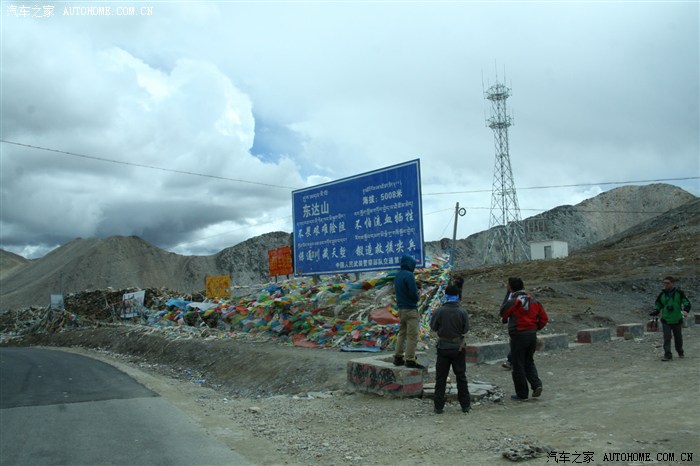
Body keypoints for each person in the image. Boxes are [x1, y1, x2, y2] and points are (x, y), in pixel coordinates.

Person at [499, 277, 548, 400]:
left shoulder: (513, 301)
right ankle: (536, 384)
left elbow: (503, 313)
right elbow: (544, 318)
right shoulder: (534, 300)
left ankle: (522, 393)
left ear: (510, 287)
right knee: (529, 361)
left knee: (518, 364)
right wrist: (535, 328)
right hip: (531, 335)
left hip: (518, 335)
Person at [430, 285, 471, 414]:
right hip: (458, 347)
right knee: (461, 376)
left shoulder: (439, 311)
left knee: (441, 378)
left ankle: (438, 406)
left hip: (443, 347)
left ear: (445, 295)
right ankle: (465, 405)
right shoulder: (462, 312)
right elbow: (465, 329)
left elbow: (433, 327)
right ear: (458, 296)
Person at [393, 254, 424, 369]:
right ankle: (410, 359)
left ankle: (398, 357)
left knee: (402, 333)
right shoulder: (409, 275)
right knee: (412, 335)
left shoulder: (397, 275)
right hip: (411, 309)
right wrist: (418, 294)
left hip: (401, 309)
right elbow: (413, 295)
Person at [650, 276, 691, 361]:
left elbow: (686, 302)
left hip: (677, 319)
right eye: (664, 283)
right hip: (666, 319)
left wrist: (686, 310)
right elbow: (658, 304)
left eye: (667, 283)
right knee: (667, 337)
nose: (665, 285)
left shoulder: (679, 293)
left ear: (672, 283)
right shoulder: (662, 294)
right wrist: (656, 310)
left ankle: (680, 351)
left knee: (678, 337)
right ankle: (668, 355)